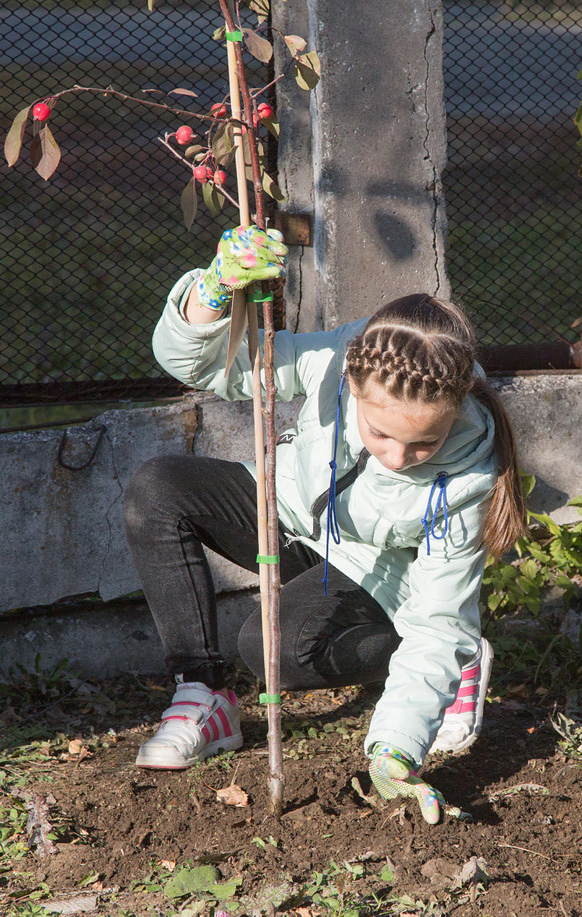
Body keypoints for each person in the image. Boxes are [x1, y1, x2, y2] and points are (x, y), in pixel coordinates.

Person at [124, 226, 526, 824]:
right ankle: (202, 695)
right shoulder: (338, 358)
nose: (396, 457)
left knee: (268, 651)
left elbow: (438, 619)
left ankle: (452, 668)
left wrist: (395, 753)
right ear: (353, 384)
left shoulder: (463, 481)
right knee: (159, 488)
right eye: (381, 433)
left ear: (456, 409)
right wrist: (214, 289)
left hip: (370, 574)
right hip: (291, 514)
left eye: (423, 444)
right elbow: (214, 370)